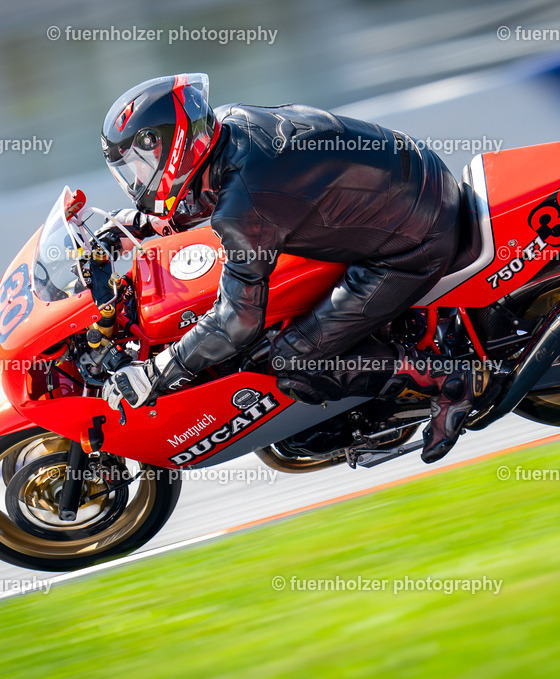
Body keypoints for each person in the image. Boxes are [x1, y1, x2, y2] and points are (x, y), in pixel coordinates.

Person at [99, 73, 496, 464]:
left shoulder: (245, 208)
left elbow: (237, 321)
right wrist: (139, 224)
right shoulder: (232, 122)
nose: (136, 178)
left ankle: (449, 380)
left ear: (174, 147)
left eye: (139, 164)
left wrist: (157, 371)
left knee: (294, 360)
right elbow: (214, 193)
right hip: (419, 178)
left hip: (414, 243)